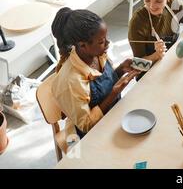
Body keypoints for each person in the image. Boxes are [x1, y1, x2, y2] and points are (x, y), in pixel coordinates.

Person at [51, 8, 140, 139]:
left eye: (105, 38)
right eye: (101, 41)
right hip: (91, 135)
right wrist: (114, 93)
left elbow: (103, 83)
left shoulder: (96, 54)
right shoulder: (71, 81)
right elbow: (86, 125)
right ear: (82, 45)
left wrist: (120, 70)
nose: (108, 43)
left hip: (114, 114)